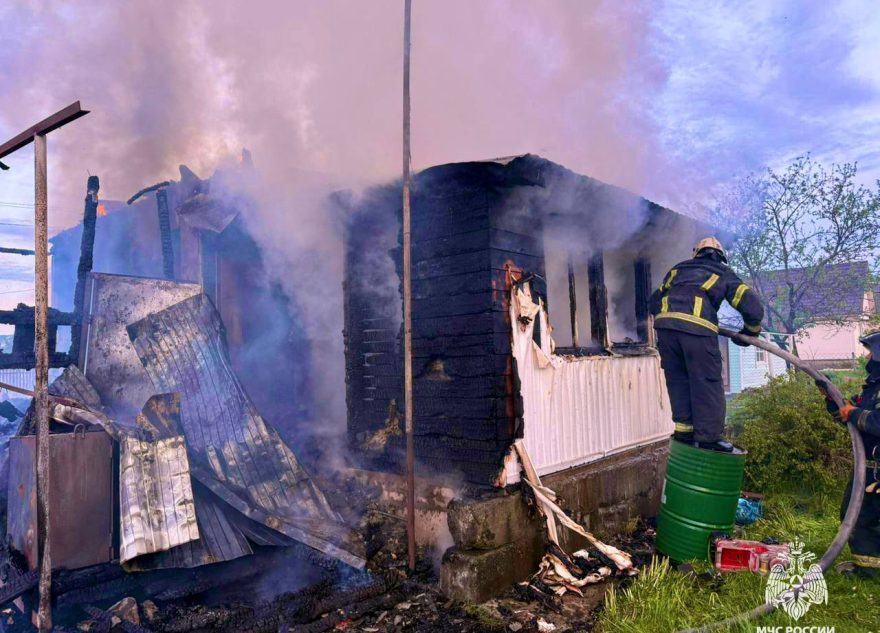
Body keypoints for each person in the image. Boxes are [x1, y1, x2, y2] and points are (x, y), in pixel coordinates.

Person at [650, 237, 764, 452]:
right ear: (720, 256)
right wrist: (751, 331)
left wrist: (674, 318)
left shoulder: (677, 270)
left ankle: (684, 431)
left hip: (666, 331)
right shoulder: (721, 272)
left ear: (696, 254)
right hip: (697, 331)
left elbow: (653, 302)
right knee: (706, 381)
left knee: (679, 380)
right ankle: (709, 437)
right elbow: (752, 307)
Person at [819, 328, 880, 577]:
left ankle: (869, 571)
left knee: (862, 517)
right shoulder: (873, 388)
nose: (867, 359)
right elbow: (848, 413)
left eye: (870, 354)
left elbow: (873, 420)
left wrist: (853, 414)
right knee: (856, 514)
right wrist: (831, 398)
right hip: (869, 468)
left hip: (876, 472)